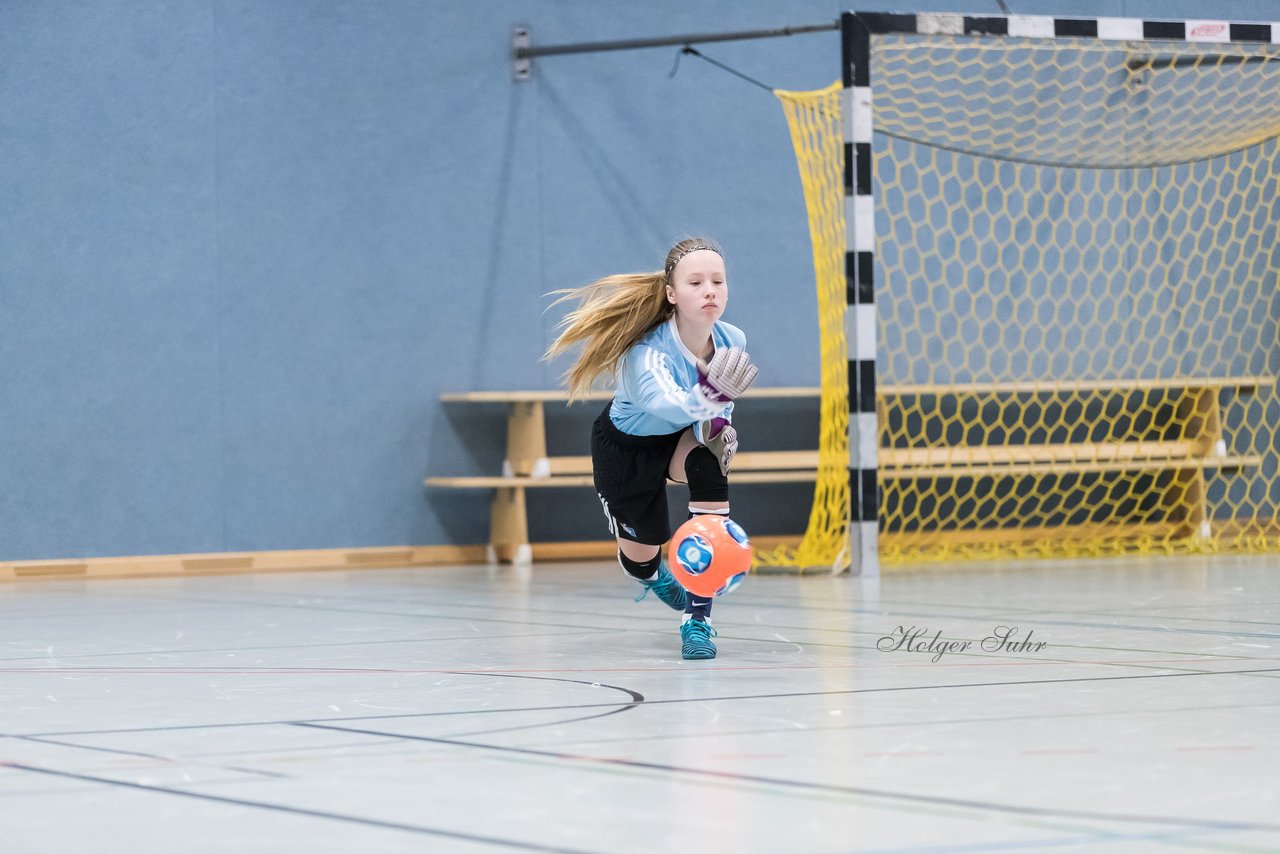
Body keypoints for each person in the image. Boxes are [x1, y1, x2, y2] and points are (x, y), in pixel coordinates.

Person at [544, 238, 759, 660]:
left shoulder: (732, 339)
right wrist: (709, 398)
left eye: (718, 280)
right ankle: (651, 573)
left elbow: (719, 407)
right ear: (672, 294)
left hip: (679, 439)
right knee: (641, 557)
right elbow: (663, 402)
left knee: (710, 462)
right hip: (627, 447)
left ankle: (698, 620)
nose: (710, 290)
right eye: (696, 282)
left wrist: (719, 427)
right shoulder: (646, 352)